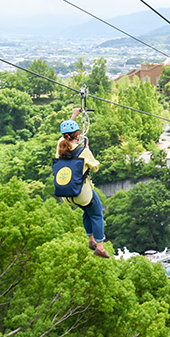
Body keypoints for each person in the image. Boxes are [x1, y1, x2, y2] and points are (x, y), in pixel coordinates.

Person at [57, 108, 109, 258]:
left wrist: (74, 116)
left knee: (87, 210)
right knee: (97, 214)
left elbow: (65, 134)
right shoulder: (83, 152)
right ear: (78, 135)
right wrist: (88, 151)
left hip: (67, 195)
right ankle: (100, 246)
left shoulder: (60, 147)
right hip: (82, 193)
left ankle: (91, 239)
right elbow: (96, 167)